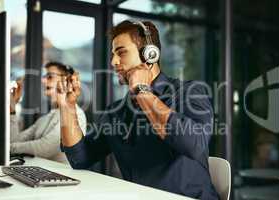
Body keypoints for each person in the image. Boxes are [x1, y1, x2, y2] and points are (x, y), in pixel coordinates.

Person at [58, 20, 219, 199]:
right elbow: (80, 159)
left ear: (149, 54)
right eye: (113, 54)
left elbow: (194, 144)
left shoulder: (189, 92)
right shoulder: (116, 113)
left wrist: (142, 91)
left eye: (121, 52)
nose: (113, 61)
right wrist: (67, 106)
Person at [10, 62, 87, 164]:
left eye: (50, 76)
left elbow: (45, 148)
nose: (43, 80)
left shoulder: (75, 115)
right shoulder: (44, 119)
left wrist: (8, 147)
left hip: (61, 176)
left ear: (66, 79)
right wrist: (12, 108)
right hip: (40, 174)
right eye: (44, 77)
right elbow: (15, 140)